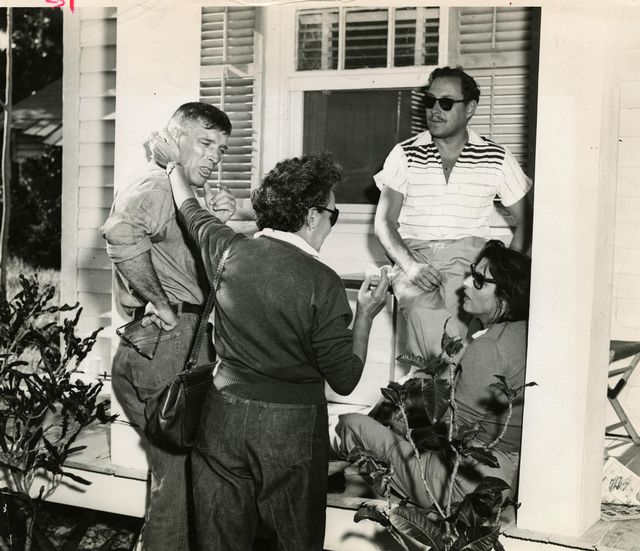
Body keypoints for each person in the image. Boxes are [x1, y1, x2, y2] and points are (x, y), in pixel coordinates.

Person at [150, 133, 390, 550]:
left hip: (221, 417)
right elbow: (345, 379)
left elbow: (190, 210)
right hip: (290, 428)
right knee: (293, 538)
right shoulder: (323, 282)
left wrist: (174, 166)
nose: (332, 223)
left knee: (219, 539)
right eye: (333, 214)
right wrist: (367, 314)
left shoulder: (226, 249)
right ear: (313, 217)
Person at [99, 102, 235, 551]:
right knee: (177, 480)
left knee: (174, 478)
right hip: (170, 345)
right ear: (174, 138)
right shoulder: (157, 185)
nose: (215, 155)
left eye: (221, 147)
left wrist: (214, 215)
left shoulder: (173, 190)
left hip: (167, 345)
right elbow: (120, 233)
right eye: (205, 142)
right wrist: (160, 301)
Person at [334, 240, 531, 508]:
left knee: (350, 424)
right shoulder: (523, 331)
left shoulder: (489, 347)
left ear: (506, 298)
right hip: (507, 475)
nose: (465, 284)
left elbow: (456, 432)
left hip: (466, 483)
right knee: (404, 403)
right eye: (472, 273)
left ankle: (378, 480)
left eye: (479, 281)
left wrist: (404, 412)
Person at [374, 66, 532, 358]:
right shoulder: (404, 153)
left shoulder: (496, 157)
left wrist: (503, 273)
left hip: (468, 261)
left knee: (449, 339)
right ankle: (438, 392)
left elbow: (527, 220)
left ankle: (426, 392)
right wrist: (410, 266)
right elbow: (384, 223)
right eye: (430, 101)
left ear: (470, 108)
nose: (435, 110)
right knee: (426, 316)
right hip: (415, 257)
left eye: (446, 103)